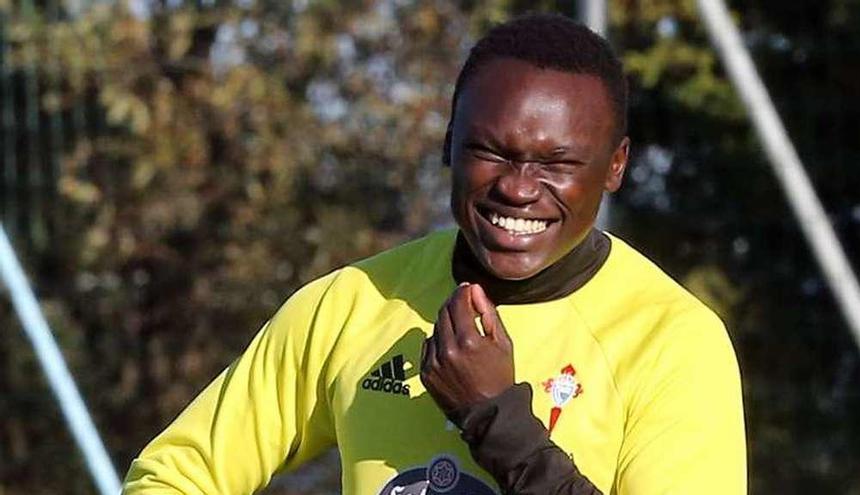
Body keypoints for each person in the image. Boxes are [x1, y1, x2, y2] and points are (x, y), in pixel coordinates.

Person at [123, 13, 746, 495]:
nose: (519, 187)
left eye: (557, 163)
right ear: (449, 144)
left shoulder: (673, 340)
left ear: (614, 167)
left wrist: (495, 417)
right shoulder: (351, 303)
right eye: (492, 152)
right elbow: (175, 472)